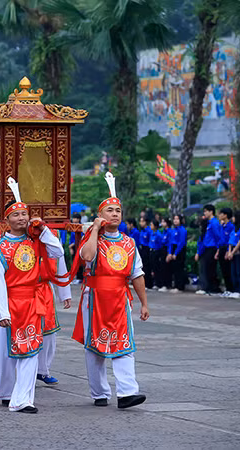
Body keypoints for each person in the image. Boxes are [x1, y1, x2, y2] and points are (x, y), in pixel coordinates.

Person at [70, 172, 149, 409]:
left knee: (124, 344)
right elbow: (87, 257)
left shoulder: (129, 242)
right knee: (95, 348)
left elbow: (137, 273)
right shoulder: (92, 238)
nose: (115, 214)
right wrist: (94, 230)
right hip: (94, 298)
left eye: (118, 211)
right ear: (100, 215)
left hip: (119, 299)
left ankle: (127, 393)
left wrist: (144, 303)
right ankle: (99, 392)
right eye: (109, 211)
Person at [0, 177, 63, 413]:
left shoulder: (36, 240)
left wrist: (43, 229)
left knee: (30, 349)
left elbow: (57, 251)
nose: (21, 218)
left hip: (33, 302)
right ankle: (5, 392)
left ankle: (23, 399)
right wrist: (2, 311)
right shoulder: (0, 247)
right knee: (4, 353)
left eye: (24, 214)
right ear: (7, 220)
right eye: (16, 215)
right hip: (11, 302)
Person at [36, 228, 72, 386]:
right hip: (22, 291)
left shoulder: (52, 234)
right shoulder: (17, 232)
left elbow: (60, 263)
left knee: (49, 332)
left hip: (45, 290)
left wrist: (64, 293)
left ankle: (43, 370)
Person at [199, 205, 222, 295]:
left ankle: (214, 287)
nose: (204, 213)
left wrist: (217, 249)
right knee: (206, 268)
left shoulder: (214, 223)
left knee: (211, 268)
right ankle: (208, 287)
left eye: (206, 211)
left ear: (211, 212)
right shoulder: (208, 223)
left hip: (212, 248)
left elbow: (218, 237)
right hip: (206, 248)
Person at [226, 212, 240, 299]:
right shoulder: (233, 228)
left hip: (238, 252)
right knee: (233, 272)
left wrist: (233, 251)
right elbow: (230, 241)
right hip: (232, 252)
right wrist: (229, 251)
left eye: (234, 217)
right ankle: (235, 290)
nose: (233, 218)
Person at [166, 214, 187, 292]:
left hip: (180, 250)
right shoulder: (173, 230)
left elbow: (181, 242)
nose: (175, 220)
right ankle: (175, 285)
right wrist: (170, 252)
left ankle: (180, 286)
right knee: (174, 268)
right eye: (174, 219)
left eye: (177, 219)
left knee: (179, 268)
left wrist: (176, 253)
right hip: (173, 249)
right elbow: (170, 242)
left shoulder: (182, 230)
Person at [217, 208, 235, 296]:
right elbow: (220, 239)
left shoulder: (231, 226)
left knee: (228, 270)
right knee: (223, 270)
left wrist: (228, 251)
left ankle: (231, 289)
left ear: (225, 215)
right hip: (221, 248)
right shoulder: (222, 226)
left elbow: (230, 240)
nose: (219, 215)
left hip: (226, 248)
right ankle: (227, 289)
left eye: (221, 214)